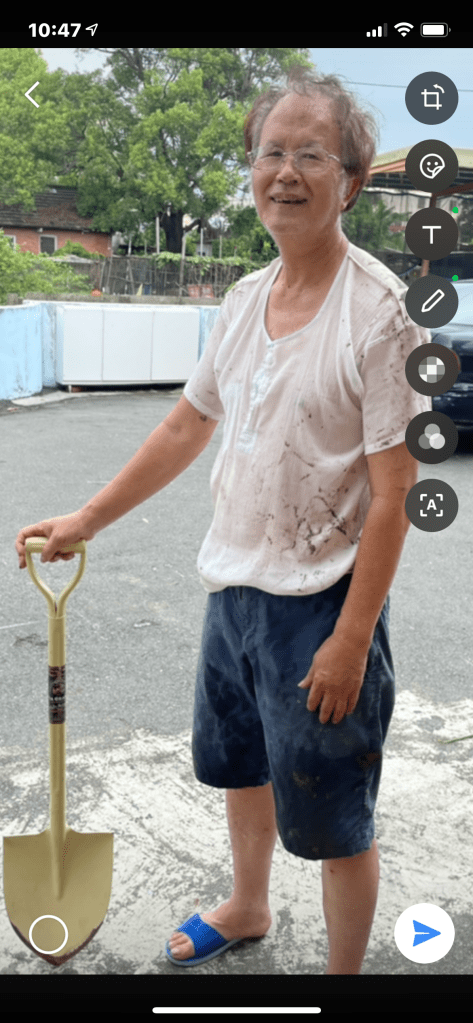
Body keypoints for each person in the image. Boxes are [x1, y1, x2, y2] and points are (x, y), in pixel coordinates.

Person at [16, 65, 431, 974]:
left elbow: (394, 492)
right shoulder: (243, 300)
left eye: (310, 154)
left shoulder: (379, 317)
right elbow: (185, 424)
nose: (284, 171)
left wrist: (350, 640)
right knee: (240, 766)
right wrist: (87, 517)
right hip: (233, 589)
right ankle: (247, 903)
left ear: (350, 182)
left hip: (323, 603)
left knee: (333, 813)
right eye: (269, 152)